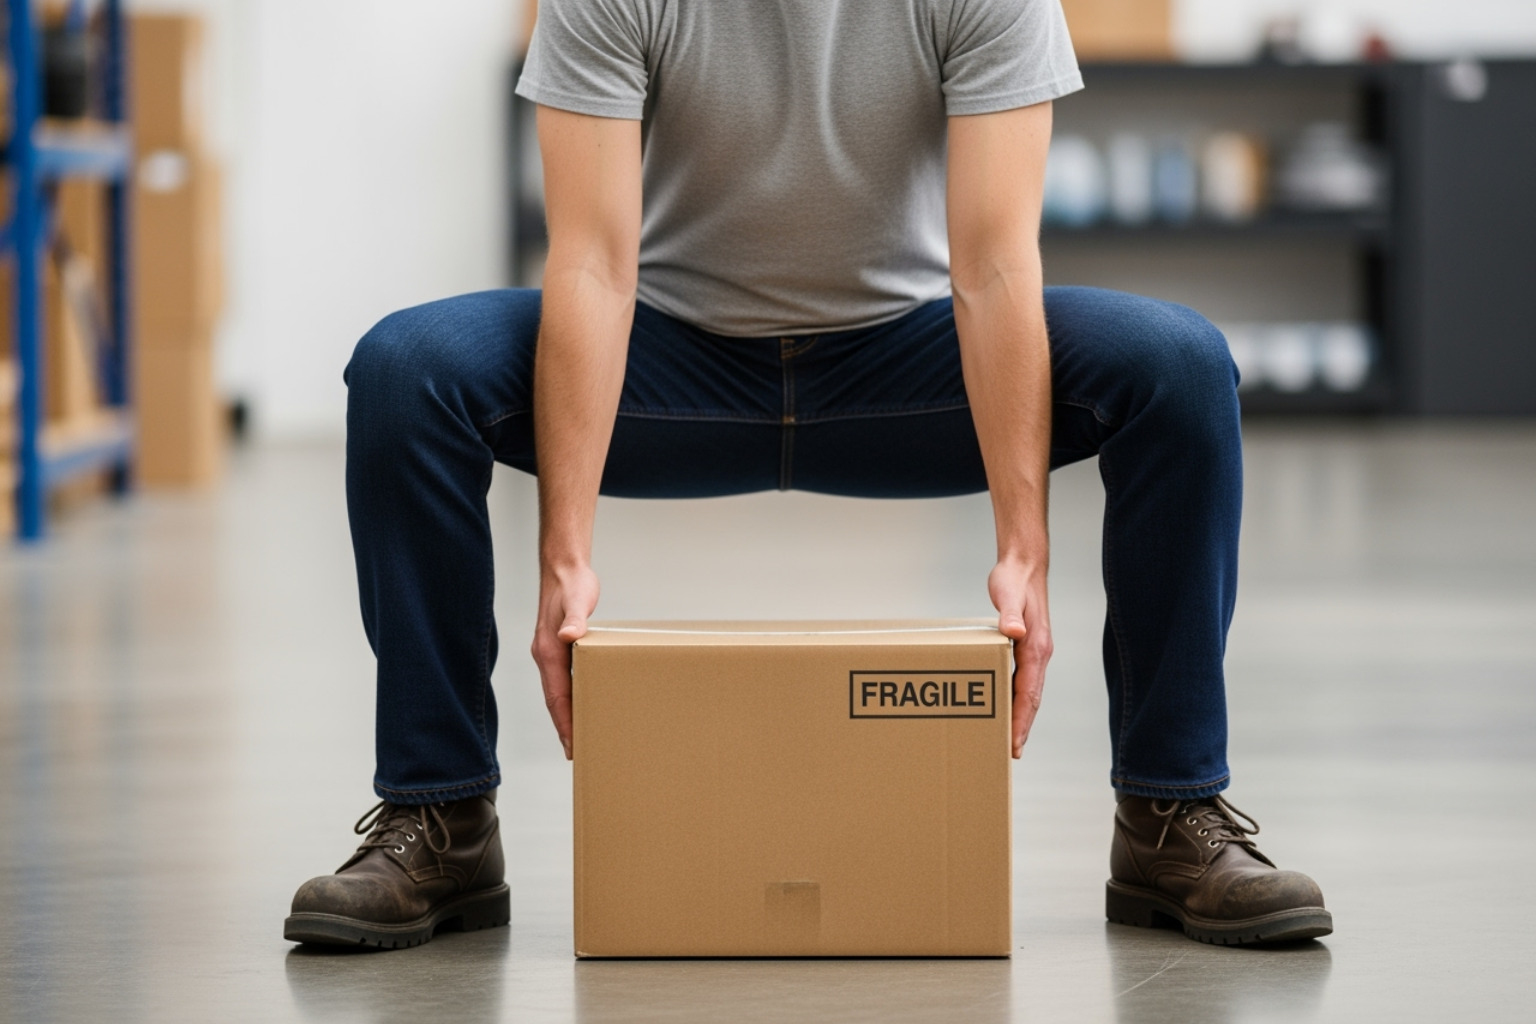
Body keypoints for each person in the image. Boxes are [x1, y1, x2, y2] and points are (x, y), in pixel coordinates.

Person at [284, 0, 1331, 950]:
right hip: (678, 363)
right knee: (407, 372)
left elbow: (995, 263)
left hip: (907, 364)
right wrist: (566, 554)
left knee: (1181, 368)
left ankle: (1167, 812)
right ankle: (442, 814)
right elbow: (595, 263)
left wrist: (1025, 544)